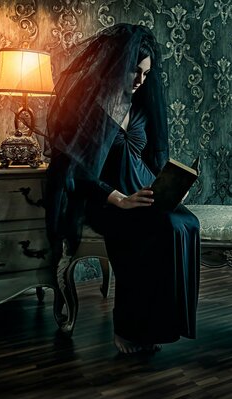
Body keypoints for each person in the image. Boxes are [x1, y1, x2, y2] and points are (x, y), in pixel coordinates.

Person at [45, 23, 201, 354]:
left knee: (187, 223)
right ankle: (127, 329)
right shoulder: (87, 108)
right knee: (154, 229)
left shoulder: (143, 105)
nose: (140, 81)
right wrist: (119, 199)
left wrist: (175, 187)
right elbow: (73, 171)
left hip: (144, 193)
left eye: (146, 74)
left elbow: (155, 159)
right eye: (134, 72)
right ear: (116, 65)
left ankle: (159, 326)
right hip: (106, 200)